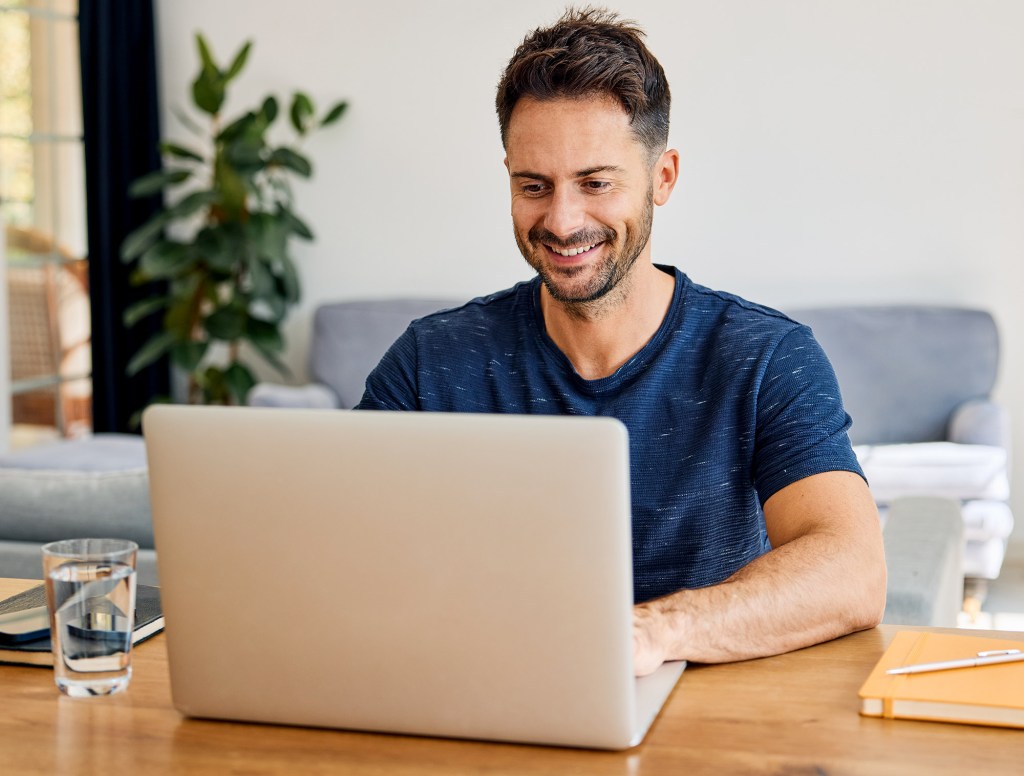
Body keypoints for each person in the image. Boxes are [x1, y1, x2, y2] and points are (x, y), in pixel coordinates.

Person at [356, 7, 886, 676]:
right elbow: (345, 550)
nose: (562, 219)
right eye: (534, 186)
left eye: (596, 183)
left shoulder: (765, 357)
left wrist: (651, 632)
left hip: (706, 709)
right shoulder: (432, 361)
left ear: (662, 178)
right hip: (485, 689)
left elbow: (852, 568)